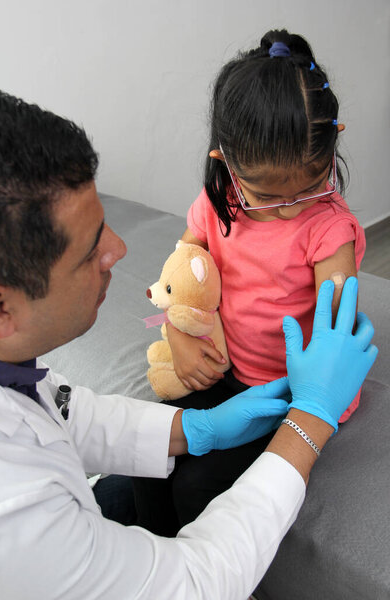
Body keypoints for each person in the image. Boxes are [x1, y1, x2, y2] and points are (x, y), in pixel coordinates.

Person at [0, 88, 377, 600]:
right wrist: (309, 421)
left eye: (106, 223)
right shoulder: (14, 514)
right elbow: (195, 584)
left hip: (268, 377)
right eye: (89, 251)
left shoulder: (9, 380)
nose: (120, 250)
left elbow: (60, 412)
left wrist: (195, 430)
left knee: (157, 469)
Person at [133, 28, 367, 536]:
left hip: (289, 391)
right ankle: (154, 567)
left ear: (332, 145)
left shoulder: (328, 229)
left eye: (309, 187)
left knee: (197, 489)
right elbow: (183, 268)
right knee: (147, 460)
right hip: (225, 370)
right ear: (225, 161)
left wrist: (312, 402)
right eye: (266, 193)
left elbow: (335, 331)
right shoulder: (221, 198)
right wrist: (177, 335)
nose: (289, 207)